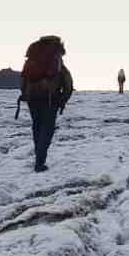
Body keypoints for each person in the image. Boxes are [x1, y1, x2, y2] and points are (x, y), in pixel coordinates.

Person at [20, 35, 75, 172]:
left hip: (33, 98)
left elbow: (24, 79)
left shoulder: (33, 57)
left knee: (37, 127)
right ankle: (39, 162)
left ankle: (38, 157)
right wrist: (62, 100)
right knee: (47, 129)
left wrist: (26, 94)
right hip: (50, 99)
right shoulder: (56, 60)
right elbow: (68, 83)